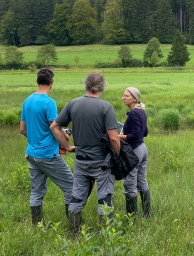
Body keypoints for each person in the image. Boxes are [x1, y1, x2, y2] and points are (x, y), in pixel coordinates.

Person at [50, 72, 120, 235]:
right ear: (102, 86)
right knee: (105, 197)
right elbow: (114, 138)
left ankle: (74, 233)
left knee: (77, 197)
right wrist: (117, 155)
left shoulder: (72, 104)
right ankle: (105, 235)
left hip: (81, 160)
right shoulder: (106, 107)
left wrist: (67, 146)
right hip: (102, 161)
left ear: (86, 85)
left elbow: (54, 126)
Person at [19, 68, 74, 225]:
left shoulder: (27, 101)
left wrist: (36, 139)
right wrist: (67, 145)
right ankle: (75, 227)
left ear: (37, 81)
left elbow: (22, 129)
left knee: (36, 192)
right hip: (48, 154)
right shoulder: (49, 103)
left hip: (32, 154)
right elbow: (54, 128)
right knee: (71, 186)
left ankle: (37, 226)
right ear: (51, 83)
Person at [118, 87, 151, 218]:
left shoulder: (133, 113)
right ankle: (146, 215)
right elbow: (145, 132)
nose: (123, 98)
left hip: (134, 150)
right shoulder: (141, 111)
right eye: (123, 95)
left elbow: (136, 135)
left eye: (126, 96)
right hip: (143, 148)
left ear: (135, 99)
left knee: (129, 182)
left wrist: (117, 136)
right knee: (141, 180)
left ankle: (131, 219)